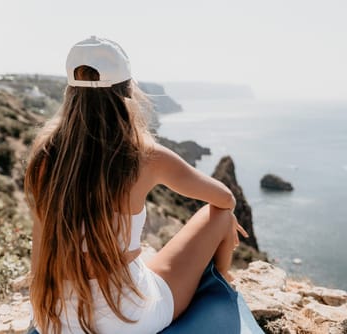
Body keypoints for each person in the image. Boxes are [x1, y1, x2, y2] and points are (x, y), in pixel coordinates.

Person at [24, 36, 256, 333]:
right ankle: (221, 288)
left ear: (70, 91)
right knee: (222, 215)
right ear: (127, 90)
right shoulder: (143, 155)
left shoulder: (45, 155)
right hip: (127, 321)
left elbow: (40, 247)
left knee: (143, 268)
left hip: (54, 319)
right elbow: (225, 199)